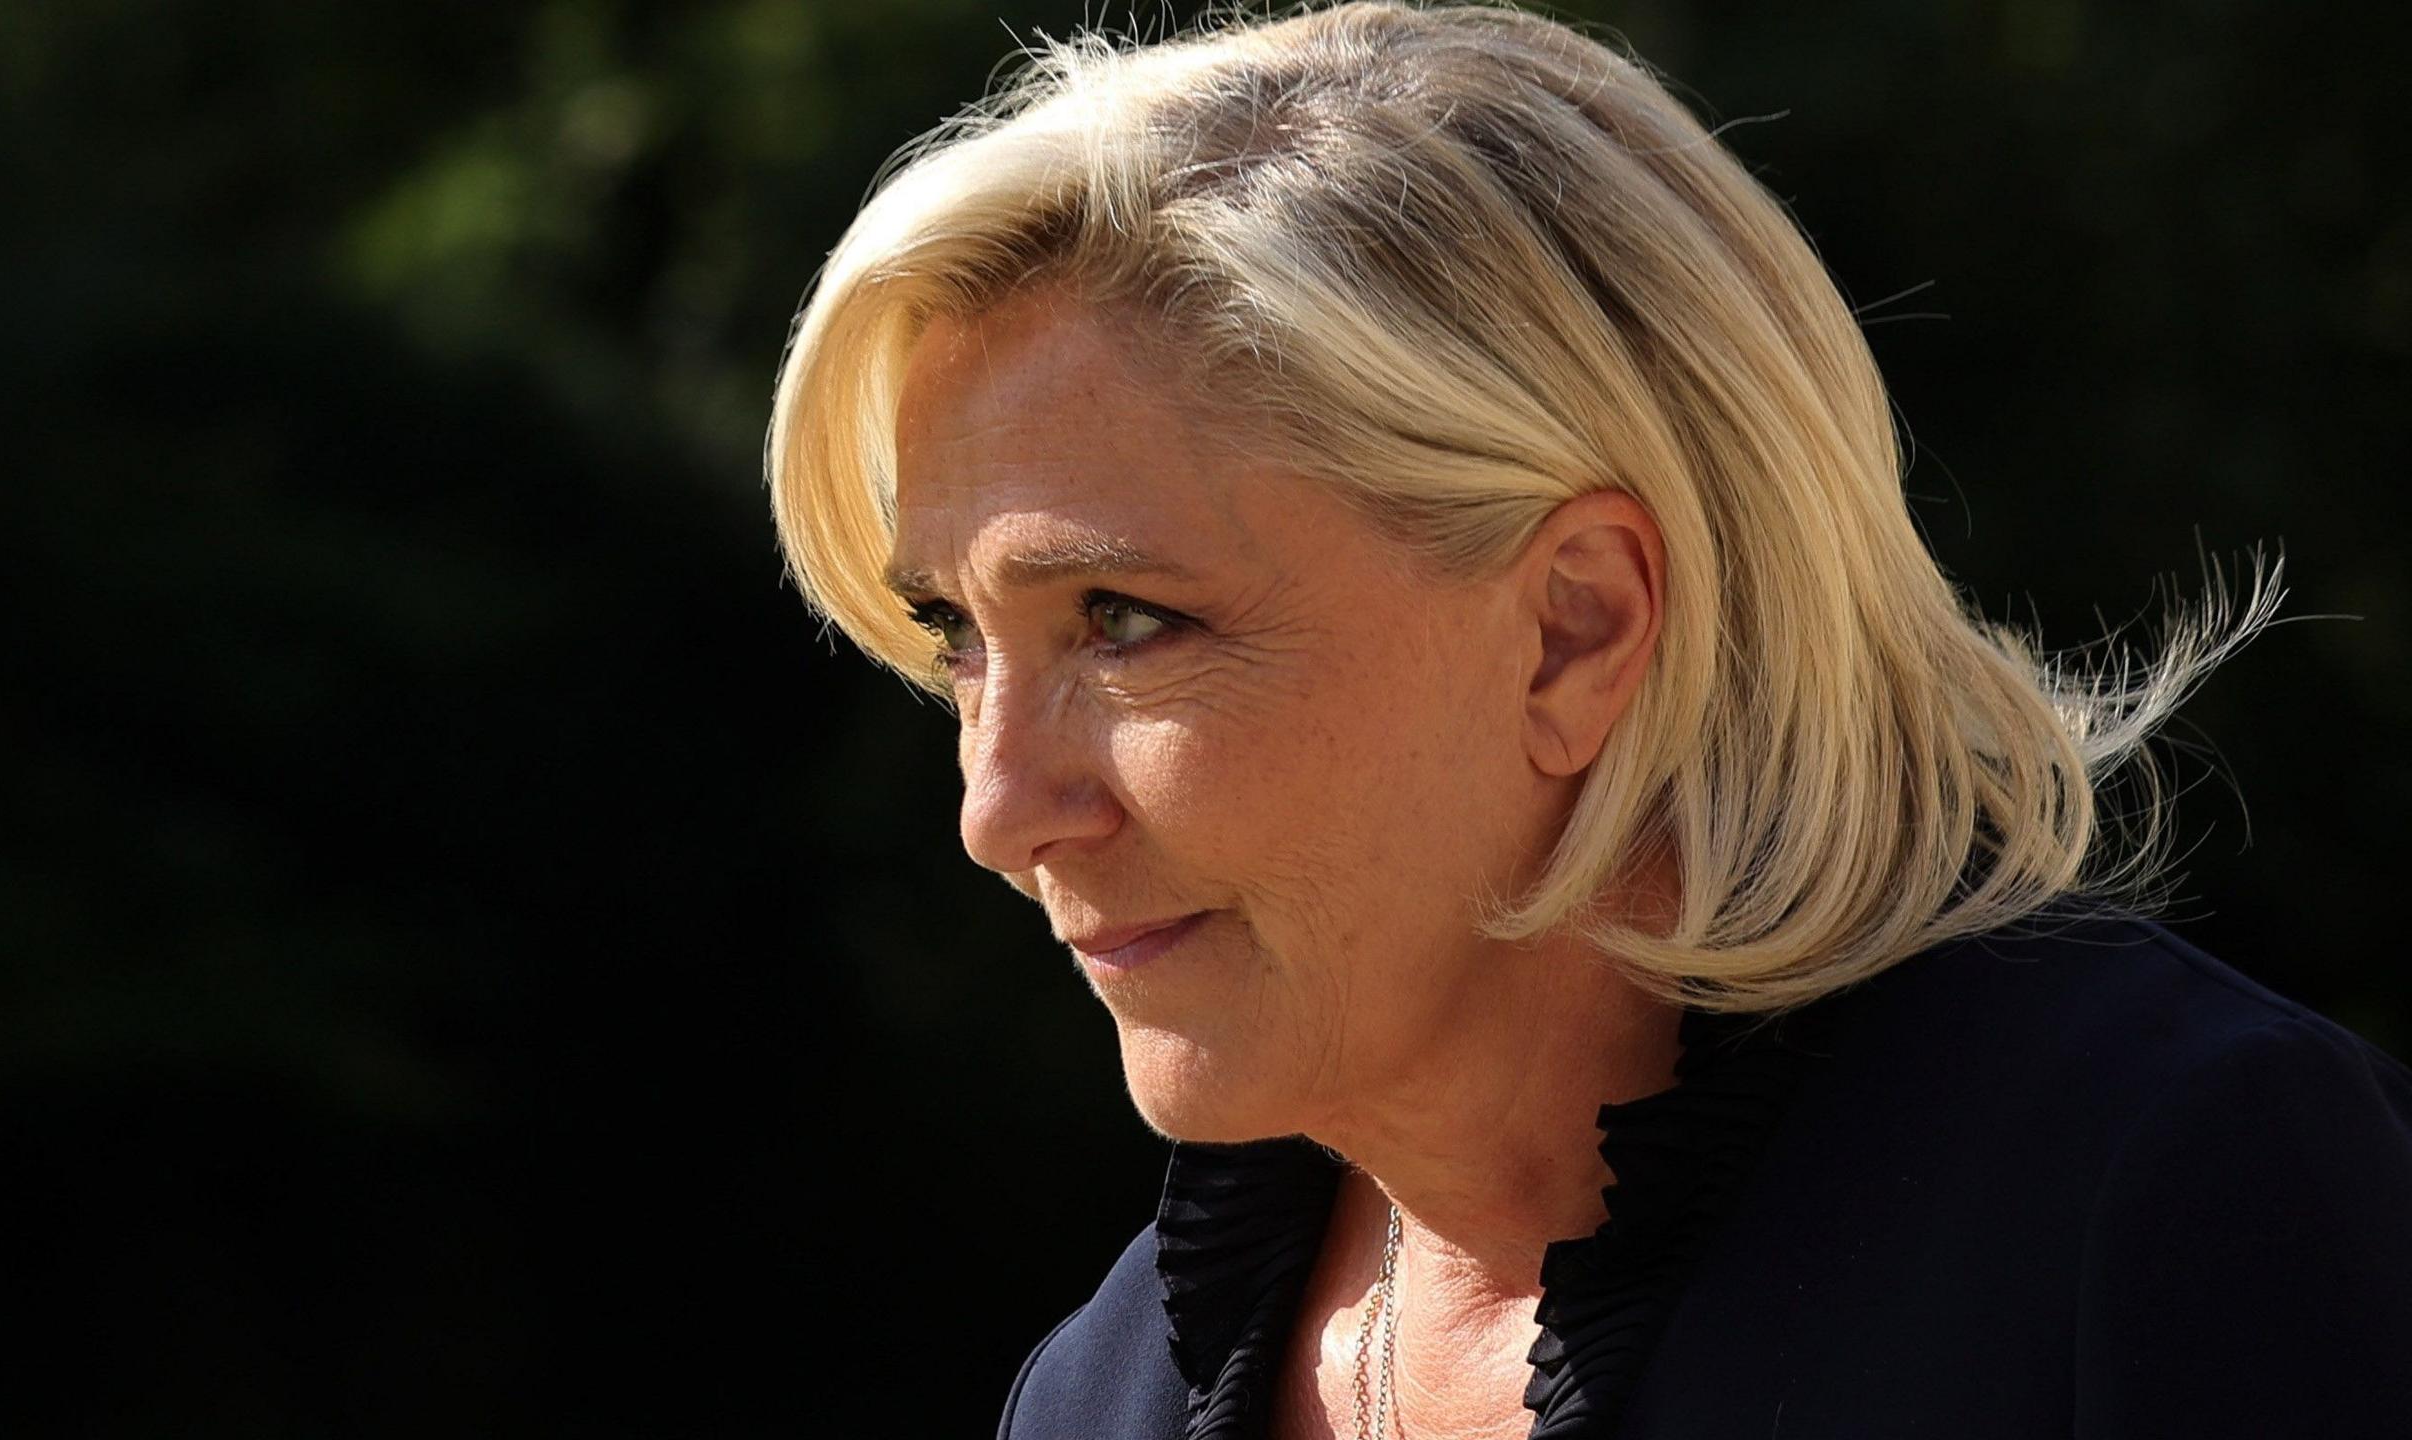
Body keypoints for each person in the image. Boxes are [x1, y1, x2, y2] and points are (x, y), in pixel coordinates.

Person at [762, 2, 2412, 1436]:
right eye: (957, 634)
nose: (998, 809)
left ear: (1578, 629)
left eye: (1126, 623)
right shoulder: (1100, 1394)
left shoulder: (2172, 1201)